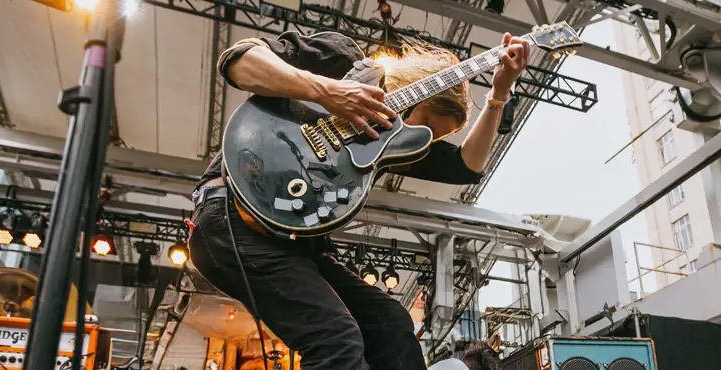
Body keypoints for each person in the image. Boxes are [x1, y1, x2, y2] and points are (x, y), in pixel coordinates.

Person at [187, 29, 529, 370]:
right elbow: (238, 61)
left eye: (432, 138)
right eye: (424, 123)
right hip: (232, 216)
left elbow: (466, 165)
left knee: (390, 322)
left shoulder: (404, 141)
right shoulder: (343, 60)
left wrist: (499, 93)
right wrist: (328, 92)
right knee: (336, 340)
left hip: (294, 241)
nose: (424, 140)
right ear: (413, 91)